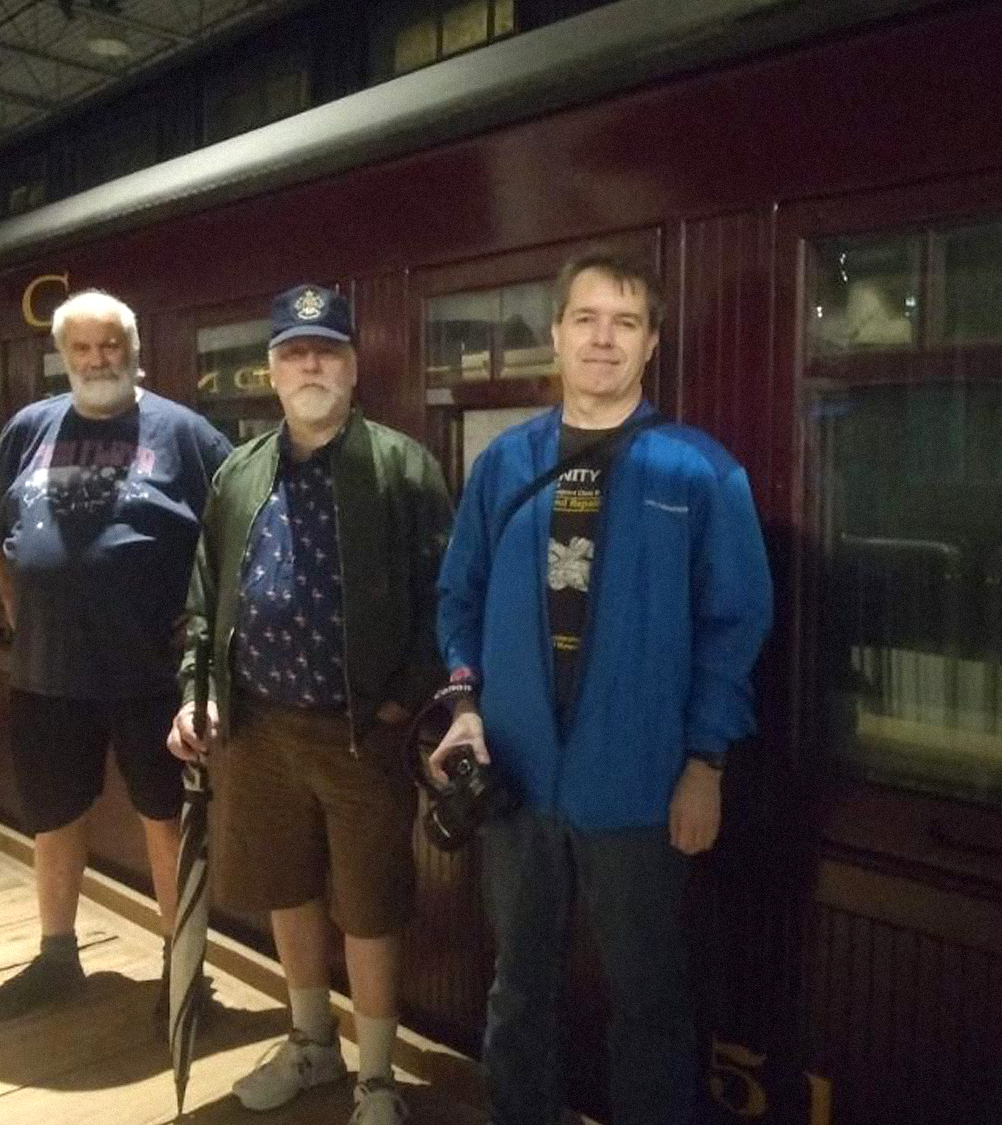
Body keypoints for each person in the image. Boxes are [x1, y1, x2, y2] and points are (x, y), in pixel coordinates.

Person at [432, 249, 774, 1125]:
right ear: (556, 333)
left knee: (651, 1001)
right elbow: (459, 595)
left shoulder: (698, 472)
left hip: (642, 784)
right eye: (585, 319)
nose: (602, 338)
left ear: (652, 342)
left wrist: (706, 763)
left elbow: (735, 625)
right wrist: (465, 703)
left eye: (625, 323)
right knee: (518, 988)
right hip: (516, 781)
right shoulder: (504, 465)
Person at [168, 283, 450, 1125]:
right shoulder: (239, 471)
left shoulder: (403, 467)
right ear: (272, 371)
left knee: (369, 905)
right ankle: (310, 1044)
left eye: (326, 350)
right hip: (257, 728)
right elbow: (205, 597)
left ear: (354, 367)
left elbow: (445, 596)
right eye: (294, 353)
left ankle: (378, 1080)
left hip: (362, 732)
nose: (310, 365)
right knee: (285, 886)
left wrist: (405, 701)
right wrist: (197, 693)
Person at [0, 289, 232, 1021]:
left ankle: (184, 974)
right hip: (47, 670)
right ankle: (57, 958)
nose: (98, 360)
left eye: (111, 344)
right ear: (63, 356)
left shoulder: (184, 434)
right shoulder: (30, 427)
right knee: (53, 816)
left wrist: (206, 630)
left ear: (135, 348)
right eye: (82, 348)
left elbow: (234, 532)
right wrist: (17, 607)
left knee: (166, 819)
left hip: (154, 672)